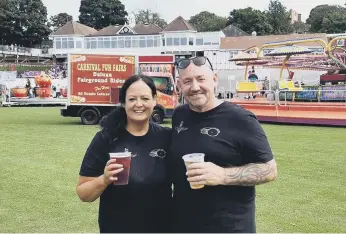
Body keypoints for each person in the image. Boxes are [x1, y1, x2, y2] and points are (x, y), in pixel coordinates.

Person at [169, 56, 278, 233]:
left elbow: (269, 170)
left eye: (201, 79)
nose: (195, 87)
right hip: (184, 226)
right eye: (188, 81)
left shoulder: (240, 119)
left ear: (214, 79)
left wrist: (222, 175)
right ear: (179, 86)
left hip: (229, 227)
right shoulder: (179, 115)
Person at [76, 75, 172, 233]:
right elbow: (83, 193)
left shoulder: (167, 137)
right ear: (123, 103)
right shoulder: (106, 138)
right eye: (132, 99)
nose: (139, 104)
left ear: (154, 100)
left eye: (145, 98)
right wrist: (104, 179)